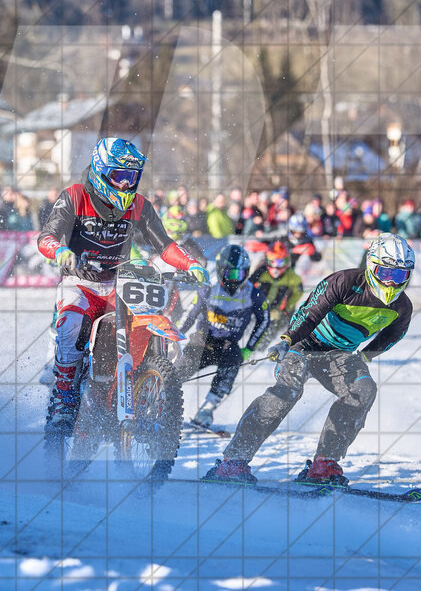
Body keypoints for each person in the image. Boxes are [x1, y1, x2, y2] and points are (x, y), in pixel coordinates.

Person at [203, 233, 415, 486]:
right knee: (287, 392)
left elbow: (395, 334)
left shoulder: (402, 306)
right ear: (371, 264)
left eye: (400, 276)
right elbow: (310, 313)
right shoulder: (344, 282)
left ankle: (324, 464)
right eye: (386, 273)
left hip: (340, 355)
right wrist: (287, 341)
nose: (392, 283)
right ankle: (233, 461)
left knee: (363, 390)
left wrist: (366, 356)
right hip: (303, 343)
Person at [36, 137, 209, 443]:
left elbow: (164, 244)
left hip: (120, 282)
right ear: (102, 172)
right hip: (80, 281)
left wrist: (189, 264)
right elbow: (46, 236)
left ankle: (133, 385)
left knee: (143, 327)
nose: (128, 185)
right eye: (121, 177)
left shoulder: (139, 205)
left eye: (133, 178)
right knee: (71, 326)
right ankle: (64, 400)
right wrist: (58, 251)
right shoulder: (75, 196)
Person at [178, 244, 270, 428]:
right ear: (221, 270)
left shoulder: (253, 292)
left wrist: (250, 348)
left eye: (240, 274)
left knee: (231, 365)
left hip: (229, 345)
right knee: (178, 371)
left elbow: (264, 320)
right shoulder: (208, 286)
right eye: (231, 274)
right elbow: (190, 313)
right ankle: (159, 404)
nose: (235, 279)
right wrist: (176, 335)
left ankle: (206, 411)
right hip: (203, 340)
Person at [250, 241, 304, 343]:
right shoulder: (261, 272)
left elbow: (298, 292)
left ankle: (261, 351)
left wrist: (285, 309)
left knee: (270, 333)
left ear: (286, 262)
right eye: (272, 262)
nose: (276, 267)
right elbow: (248, 286)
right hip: (257, 308)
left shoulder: (292, 277)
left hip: (276, 312)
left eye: (280, 263)